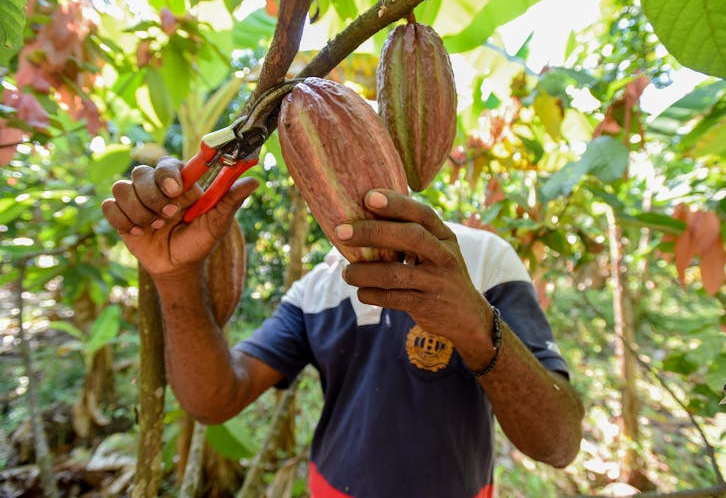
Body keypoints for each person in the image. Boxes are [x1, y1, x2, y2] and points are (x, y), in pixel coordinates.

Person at [101, 157, 584, 498]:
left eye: (360, 146)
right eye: (318, 157)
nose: (346, 170)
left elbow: (559, 442)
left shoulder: (481, 259)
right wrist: (176, 277)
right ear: (305, 181)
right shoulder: (317, 289)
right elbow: (216, 398)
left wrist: (476, 323)